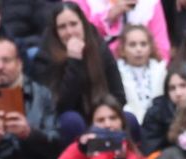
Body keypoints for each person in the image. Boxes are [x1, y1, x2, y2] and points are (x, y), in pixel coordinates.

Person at [31, 3, 124, 138]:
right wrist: (74, 61)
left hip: (100, 117)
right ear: (55, 32)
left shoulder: (99, 47)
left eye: (74, 24)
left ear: (83, 25)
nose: (69, 32)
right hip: (68, 123)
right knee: (71, 120)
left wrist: (102, 118)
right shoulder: (45, 57)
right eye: (62, 27)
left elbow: (118, 95)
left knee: (128, 118)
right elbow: (59, 106)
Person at [115, 24, 166, 125]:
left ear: (151, 47)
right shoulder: (117, 72)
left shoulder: (161, 70)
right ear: (123, 49)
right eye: (132, 45)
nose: (139, 49)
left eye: (143, 44)